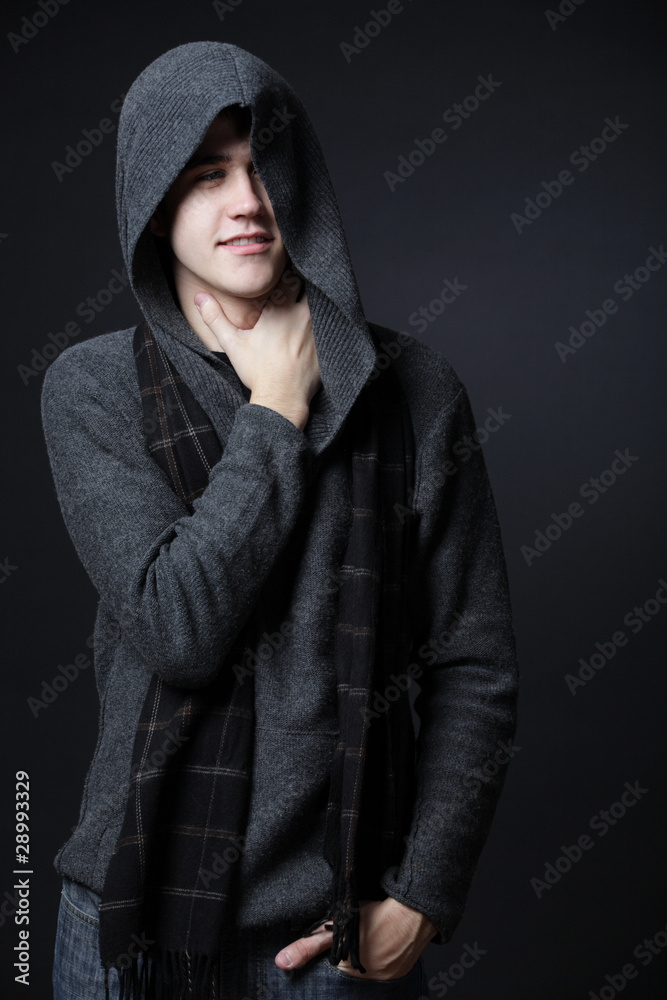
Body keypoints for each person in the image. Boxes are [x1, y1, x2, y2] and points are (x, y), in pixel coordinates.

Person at [41, 41, 520, 1000]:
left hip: (330, 943)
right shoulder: (91, 388)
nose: (247, 202)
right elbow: (179, 629)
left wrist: (423, 894)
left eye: (263, 164)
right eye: (205, 174)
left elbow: (474, 664)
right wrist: (277, 409)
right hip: (128, 929)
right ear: (153, 201)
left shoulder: (416, 391)